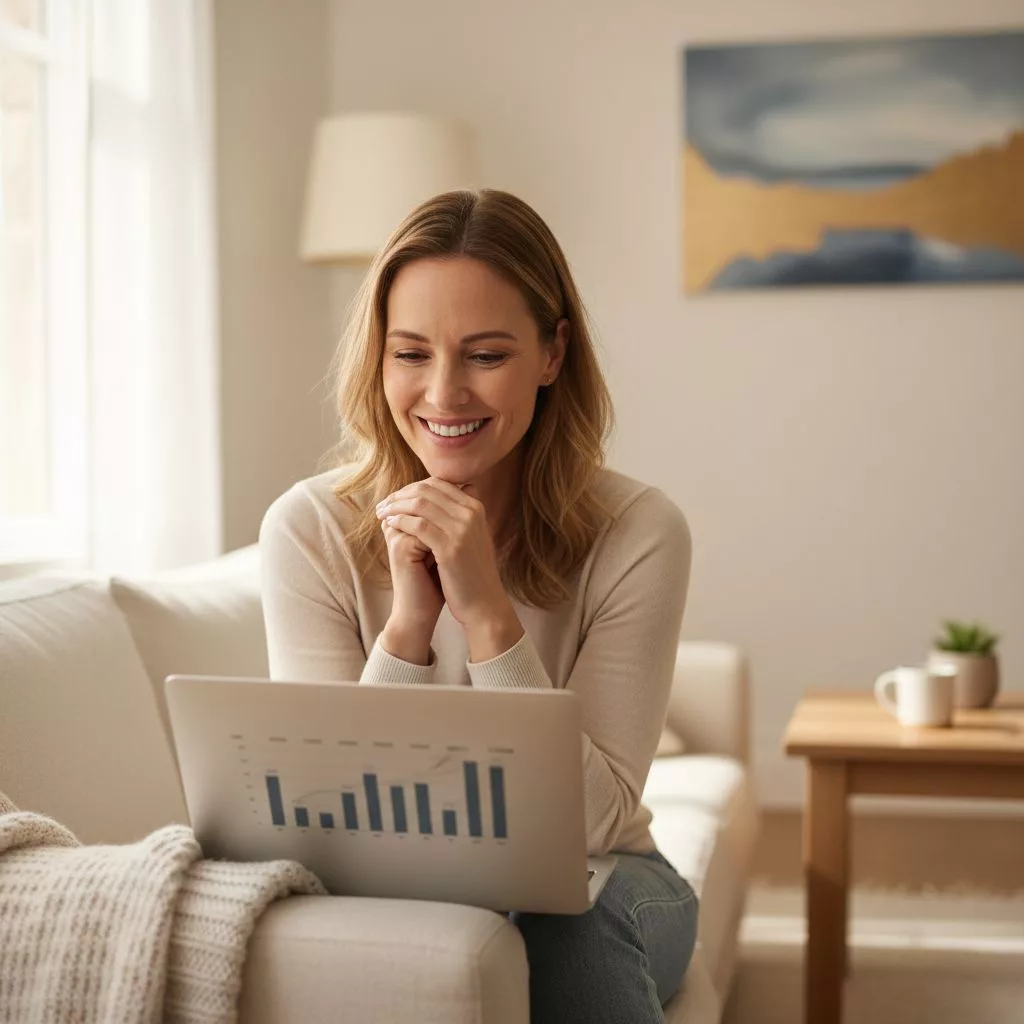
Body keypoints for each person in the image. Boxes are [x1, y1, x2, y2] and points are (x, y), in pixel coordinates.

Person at [259, 188, 698, 1022]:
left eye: (487, 355)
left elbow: (593, 822)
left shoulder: (639, 530)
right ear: (378, 360)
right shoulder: (309, 528)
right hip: (407, 888)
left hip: (607, 880)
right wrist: (409, 629)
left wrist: (489, 616)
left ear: (553, 353)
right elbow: (335, 826)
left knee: (563, 929)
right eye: (411, 353)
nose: (444, 393)